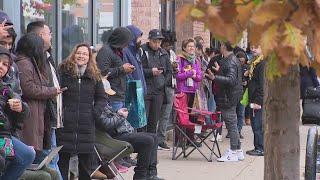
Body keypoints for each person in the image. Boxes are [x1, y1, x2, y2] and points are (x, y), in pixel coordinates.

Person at [57, 43, 108, 180]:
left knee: (86, 163)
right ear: (74, 54)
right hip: (66, 123)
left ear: (89, 57)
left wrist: (94, 113)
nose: (81, 56)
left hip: (87, 124)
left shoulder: (94, 75)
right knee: (63, 160)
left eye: (85, 54)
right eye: (79, 53)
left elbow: (101, 98)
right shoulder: (63, 71)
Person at [95, 92, 164, 180]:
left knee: (154, 137)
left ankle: (151, 174)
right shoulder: (98, 105)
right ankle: (140, 176)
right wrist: (120, 115)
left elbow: (108, 119)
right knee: (147, 140)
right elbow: (105, 124)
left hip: (118, 133)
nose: (107, 95)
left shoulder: (103, 103)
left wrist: (117, 113)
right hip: (112, 138)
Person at [26, 21, 63, 179]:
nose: (51, 36)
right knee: (48, 160)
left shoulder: (47, 56)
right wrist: (52, 91)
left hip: (50, 118)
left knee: (53, 158)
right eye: (49, 33)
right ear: (41, 35)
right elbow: (30, 88)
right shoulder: (30, 61)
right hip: (40, 119)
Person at [15, 33, 61, 157]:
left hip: (37, 114)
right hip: (30, 115)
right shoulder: (24, 63)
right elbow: (28, 88)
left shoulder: (31, 62)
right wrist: (51, 91)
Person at [0, 46, 35, 180]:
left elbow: (24, 113)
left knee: (26, 155)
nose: (1, 67)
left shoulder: (7, 86)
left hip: (4, 135)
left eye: (5, 64)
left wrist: (20, 108)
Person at [206, 41, 244, 162]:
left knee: (231, 124)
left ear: (223, 47)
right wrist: (219, 70)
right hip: (230, 96)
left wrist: (215, 77)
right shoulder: (230, 59)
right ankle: (238, 151)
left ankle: (233, 152)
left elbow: (231, 79)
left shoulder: (231, 60)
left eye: (221, 45)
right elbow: (229, 74)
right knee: (232, 124)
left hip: (228, 97)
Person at [96, 27, 135, 111]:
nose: (126, 45)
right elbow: (103, 73)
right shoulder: (105, 51)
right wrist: (122, 69)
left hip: (119, 94)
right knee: (115, 122)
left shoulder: (117, 51)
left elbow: (116, 69)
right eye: (125, 42)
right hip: (111, 96)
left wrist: (126, 69)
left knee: (120, 122)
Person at [141, 29, 171, 134]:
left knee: (154, 122)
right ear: (149, 39)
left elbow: (169, 72)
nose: (157, 44)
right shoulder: (142, 51)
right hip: (145, 90)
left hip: (159, 91)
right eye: (154, 42)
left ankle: (152, 147)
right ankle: (143, 145)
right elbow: (137, 70)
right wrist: (150, 72)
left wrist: (164, 82)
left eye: (159, 42)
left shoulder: (163, 53)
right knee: (143, 120)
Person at [175, 38, 202, 147]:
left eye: (193, 46)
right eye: (189, 46)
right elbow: (177, 75)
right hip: (182, 91)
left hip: (193, 91)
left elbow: (200, 77)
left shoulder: (196, 60)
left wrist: (195, 76)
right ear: (184, 48)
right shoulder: (179, 59)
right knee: (181, 116)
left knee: (192, 116)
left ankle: (191, 139)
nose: (191, 48)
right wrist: (190, 73)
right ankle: (179, 139)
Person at [157, 29, 177, 151]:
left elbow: (175, 70)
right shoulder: (158, 53)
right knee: (155, 114)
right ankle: (154, 138)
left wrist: (175, 69)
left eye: (170, 44)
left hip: (170, 86)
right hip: (159, 86)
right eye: (166, 44)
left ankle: (161, 139)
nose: (168, 46)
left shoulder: (172, 54)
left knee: (165, 115)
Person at [246, 45, 265, 156]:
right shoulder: (254, 63)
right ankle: (258, 147)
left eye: (256, 47)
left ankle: (260, 148)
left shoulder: (262, 64)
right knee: (255, 123)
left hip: (258, 99)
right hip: (254, 97)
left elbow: (262, 84)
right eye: (252, 47)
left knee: (257, 124)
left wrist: (258, 100)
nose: (253, 50)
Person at [235, 52, 249, 139]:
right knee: (233, 114)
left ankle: (238, 131)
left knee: (240, 114)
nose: (241, 63)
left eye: (243, 61)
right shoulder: (233, 68)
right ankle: (232, 131)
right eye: (239, 61)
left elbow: (251, 80)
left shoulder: (247, 68)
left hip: (243, 94)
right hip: (234, 93)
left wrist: (246, 82)